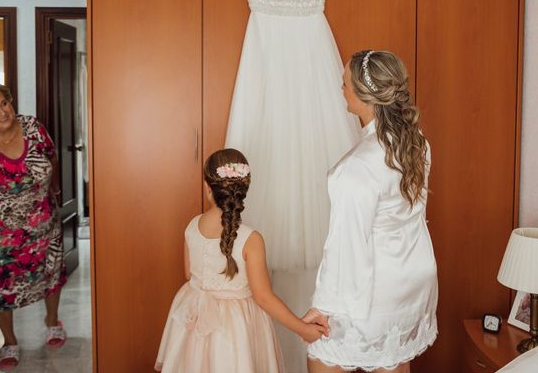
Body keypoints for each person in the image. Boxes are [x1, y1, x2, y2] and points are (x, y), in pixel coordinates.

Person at [304, 51, 438, 372]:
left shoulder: (356, 168)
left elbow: (345, 247)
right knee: (392, 360)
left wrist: (323, 307)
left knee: (322, 358)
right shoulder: (417, 143)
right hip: (412, 281)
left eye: (345, 83)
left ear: (364, 96)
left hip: (372, 292)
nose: (341, 88)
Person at [155, 148, 327, 372]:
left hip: (194, 316)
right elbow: (264, 298)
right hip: (234, 326)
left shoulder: (191, 226)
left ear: (208, 188)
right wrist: (302, 329)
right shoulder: (251, 239)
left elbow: (189, 274)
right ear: (243, 190)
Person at [0, 82, 67, 371]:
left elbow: (51, 157)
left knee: (51, 272)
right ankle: (9, 341)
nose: (2, 112)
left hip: (45, 225)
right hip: (1, 237)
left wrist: (54, 188)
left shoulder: (33, 127)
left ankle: (52, 321)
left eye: (4, 103)